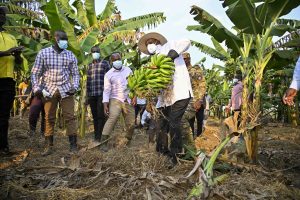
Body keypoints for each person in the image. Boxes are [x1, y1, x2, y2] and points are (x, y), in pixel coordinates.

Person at [138, 32, 193, 165]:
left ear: (157, 41)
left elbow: (187, 41)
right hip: (165, 98)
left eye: (151, 41)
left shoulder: (170, 45)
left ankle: (176, 155)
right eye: (147, 43)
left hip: (180, 92)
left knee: (174, 122)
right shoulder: (152, 62)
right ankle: (162, 152)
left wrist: (173, 53)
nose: (150, 44)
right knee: (161, 125)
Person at [31, 30, 80, 156]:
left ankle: (73, 145)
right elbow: (35, 73)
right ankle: (49, 145)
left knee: (70, 117)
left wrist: (74, 86)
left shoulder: (70, 55)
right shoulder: (43, 53)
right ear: (55, 39)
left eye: (66, 39)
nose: (65, 42)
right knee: (49, 117)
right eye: (62, 39)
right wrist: (37, 88)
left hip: (66, 89)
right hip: (49, 89)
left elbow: (75, 74)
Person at [0, 6, 24, 154]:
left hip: (7, 81)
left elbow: (19, 64)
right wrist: (6, 52)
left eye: (3, 15)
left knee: (4, 116)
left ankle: (3, 146)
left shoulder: (11, 38)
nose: (2, 17)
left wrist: (17, 56)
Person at [101, 52, 136, 152]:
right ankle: (103, 143)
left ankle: (127, 140)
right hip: (115, 99)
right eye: (115, 60)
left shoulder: (128, 70)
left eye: (119, 59)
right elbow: (106, 90)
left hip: (128, 98)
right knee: (113, 117)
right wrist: (105, 105)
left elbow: (134, 84)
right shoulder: (108, 74)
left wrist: (135, 97)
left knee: (131, 123)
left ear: (121, 58)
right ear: (111, 62)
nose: (117, 61)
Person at [86, 45, 110, 142]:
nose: (95, 53)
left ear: (99, 53)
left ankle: (101, 136)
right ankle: (96, 136)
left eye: (97, 51)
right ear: (91, 54)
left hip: (102, 94)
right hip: (92, 94)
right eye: (93, 52)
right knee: (95, 116)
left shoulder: (105, 63)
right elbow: (88, 81)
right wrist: (87, 95)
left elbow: (109, 78)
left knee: (101, 116)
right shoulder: (89, 66)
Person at [182, 52, 206, 138]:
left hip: (197, 100)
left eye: (185, 59)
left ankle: (199, 137)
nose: (183, 61)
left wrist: (199, 100)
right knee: (189, 121)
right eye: (182, 59)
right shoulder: (182, 71)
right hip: (188, 101)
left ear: (189, 59)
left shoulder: (195, 70)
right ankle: (192, 139)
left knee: (199, 120)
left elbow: (202, 85)